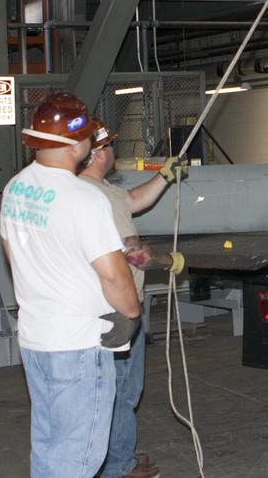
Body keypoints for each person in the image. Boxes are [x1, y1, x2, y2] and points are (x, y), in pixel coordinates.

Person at [1, 93, 143, 478]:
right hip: (78, 343)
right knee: (79, 457)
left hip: (36, 338)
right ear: (79, 143)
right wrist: (131, 314)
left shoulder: (15, 188)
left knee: (50, 446)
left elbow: (13, 253)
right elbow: (114, 273)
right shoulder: (83, 197)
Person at [78, 121, 187, 478]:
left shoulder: (98, 189)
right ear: (95, 153)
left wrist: (165, 176)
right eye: (108, 145)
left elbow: (133, 200)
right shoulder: (93, 196)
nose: (113, 151)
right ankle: (119, 468)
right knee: (122, 389)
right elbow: (132, 253)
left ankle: (118, 453)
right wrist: (170, 261)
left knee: (117, 388)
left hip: (109, 306)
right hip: (117, 309)